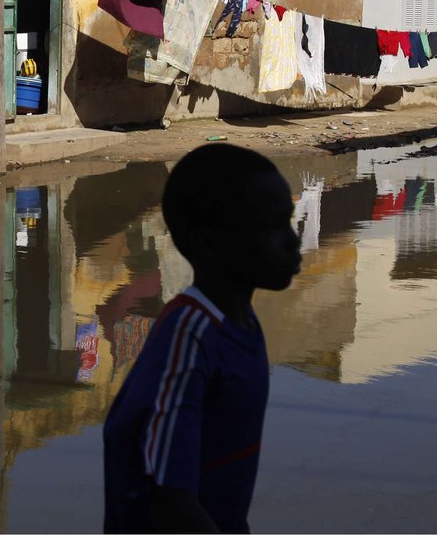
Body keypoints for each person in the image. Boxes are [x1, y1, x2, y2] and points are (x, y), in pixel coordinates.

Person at [103, 144, 301, 534]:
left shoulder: (241, 323)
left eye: (289, 222)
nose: (293, 241)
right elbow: (168, 498)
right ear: (210, 244)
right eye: (273, 226)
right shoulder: (190, 338)